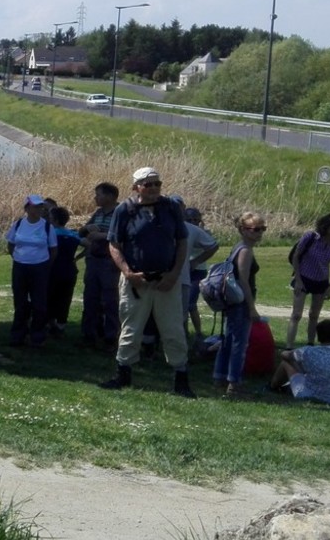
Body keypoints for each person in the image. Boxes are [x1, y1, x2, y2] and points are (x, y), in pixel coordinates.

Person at [101, 167, 194, 397]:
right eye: (148, 184)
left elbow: (182, 242)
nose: (153, 188)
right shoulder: (125, 210)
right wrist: (127, 273)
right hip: (136, 281)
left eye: (157, 184)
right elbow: (114, 244)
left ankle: (181, 380)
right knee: (131, 329)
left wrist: (174, 274)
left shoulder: (170, 208)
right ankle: (123, 374)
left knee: (173, 330)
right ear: (136, 187)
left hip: (166, 280)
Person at [212, 212, 265, 397]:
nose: (260, 233)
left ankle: (219, 378)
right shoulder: (245, 251)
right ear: (243, 230)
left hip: (233, 300)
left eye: (262, 229)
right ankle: (234, 384)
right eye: (255, 229)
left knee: (228, 340)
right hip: (241, 302)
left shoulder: (239, 247)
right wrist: (252, 308)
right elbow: (244, 281)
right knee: (239, 344)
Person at [286, 213, 330, 349]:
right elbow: (296, 256)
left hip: (321, 281)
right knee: (296, 314)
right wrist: (298, 280)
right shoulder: (311, 237)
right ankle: (289, 347)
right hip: (303, 277)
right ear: (327, 227)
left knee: (314, 315)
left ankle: (310, 344)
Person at [6, 193, 57, 347]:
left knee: (39, 303)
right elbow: (11, 244)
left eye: (40, 206)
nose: (39, 209)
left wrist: (45, 265)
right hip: (20, 267)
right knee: (20, 302)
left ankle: (37, 336)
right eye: (35, 206)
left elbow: (53, 249)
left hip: (40, 267)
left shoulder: (47, 227)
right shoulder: (18, 224)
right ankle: (18, 335)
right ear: (27, 208)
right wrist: (18, 257)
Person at [270, 318, 330, 406]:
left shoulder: (308, 351)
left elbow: (284, 354)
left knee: (285, 363)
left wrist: (296, 366)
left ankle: (273, 386)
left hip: (311, 396)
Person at [80, 182, 121, 349]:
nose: (95, 198)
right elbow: (82, 232)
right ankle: (89, 335)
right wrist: (86, 228)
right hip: (93, 260)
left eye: (99, 194)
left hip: (110, 262)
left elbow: (124, 235)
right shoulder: (97, 213)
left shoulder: (120, 213)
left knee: (110, 301)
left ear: (110, 196)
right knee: (90, 299)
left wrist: (101, 235)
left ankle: (110, 338)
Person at [182, 206, 218, 344]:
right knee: (183, 305)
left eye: (195, 219)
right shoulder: (181, 230)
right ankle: (185, 332)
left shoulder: (203, 233)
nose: (193, 222)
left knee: (190, 303)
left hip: (197, 271)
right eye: (189, 219)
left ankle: (197, 333)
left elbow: (213, 247)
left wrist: (196, 261)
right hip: (183, 270)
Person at [46, 205, 81, 336]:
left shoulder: (50, 234)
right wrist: (78, 257)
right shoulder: (73, 234)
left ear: (54, 220)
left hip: (53, 270)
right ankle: (61, 325)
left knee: (49, 297)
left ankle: (49, 323)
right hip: (69, 270)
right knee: (65, 299)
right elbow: (89, 245)